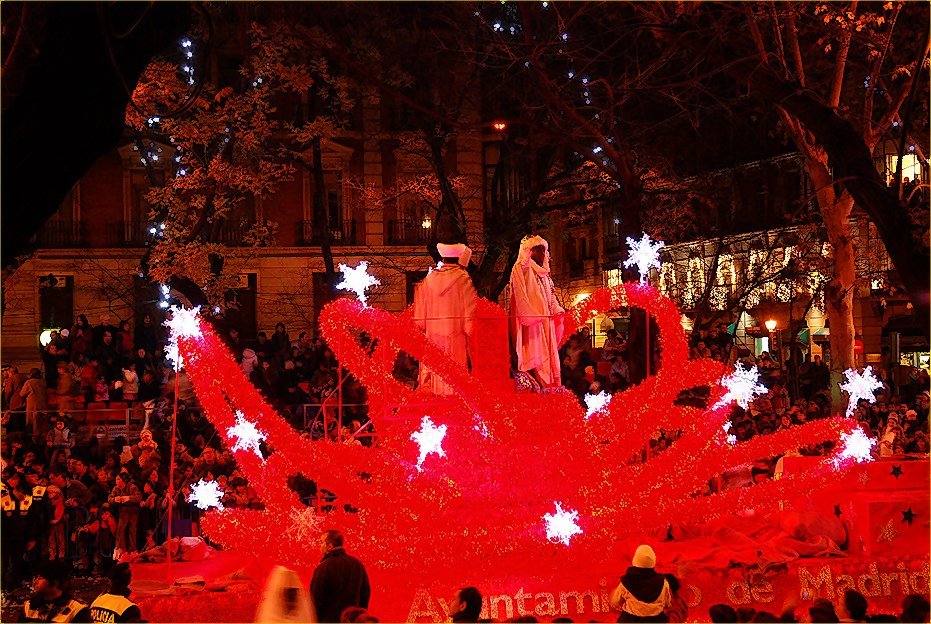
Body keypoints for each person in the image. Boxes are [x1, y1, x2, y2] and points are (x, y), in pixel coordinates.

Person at [413, 243, 477, 395]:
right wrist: (471, 335)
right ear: (458, 257)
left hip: (433, 338)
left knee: (435, 380)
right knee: (454, 383)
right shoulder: (463, 279)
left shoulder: (428, 280)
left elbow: (419, 319)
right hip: (455, 339)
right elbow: (469, 314)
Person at [508, 235, 565, 388]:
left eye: (543, 250)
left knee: (550, 355)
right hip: (532, 323)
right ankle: (539, 383)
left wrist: (557, 309)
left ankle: (551, 385)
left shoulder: (544, 275)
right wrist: (531, 316)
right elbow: (519, 287)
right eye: (538, 250)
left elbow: (551, 296)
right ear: (529, 251)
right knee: (535, 353)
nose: (543, 254)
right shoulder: (522, 268)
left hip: (546, 321)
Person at [310, 530, 370, 623]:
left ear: (329, 546)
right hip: (352, 620)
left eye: (321, 543)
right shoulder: (357, 564)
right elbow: (365, 593)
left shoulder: (323, 568)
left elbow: (315, 599)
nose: (320, 547)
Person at [609, 545, 671, 622]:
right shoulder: (663, 582)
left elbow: (615, 602)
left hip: (631, 620)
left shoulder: (627, 581)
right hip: (656, 620)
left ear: (635, 560)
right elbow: (668, 603)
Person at [19, 560, 92, 622]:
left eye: (41, 578)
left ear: (55, 582)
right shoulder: (29, 606)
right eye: (36, 577)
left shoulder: (76, 610)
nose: (35, 581)